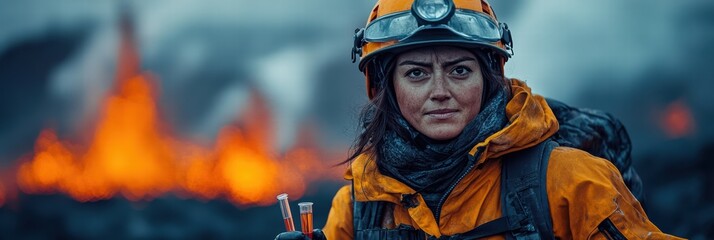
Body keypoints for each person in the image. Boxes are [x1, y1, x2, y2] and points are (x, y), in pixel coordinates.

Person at [277, 0, 682, 239]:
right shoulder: (359, 206)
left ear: (488, 80)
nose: (439, 90)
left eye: (459, 70)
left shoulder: (572, 182)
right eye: (416, 73)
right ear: (387, 88)